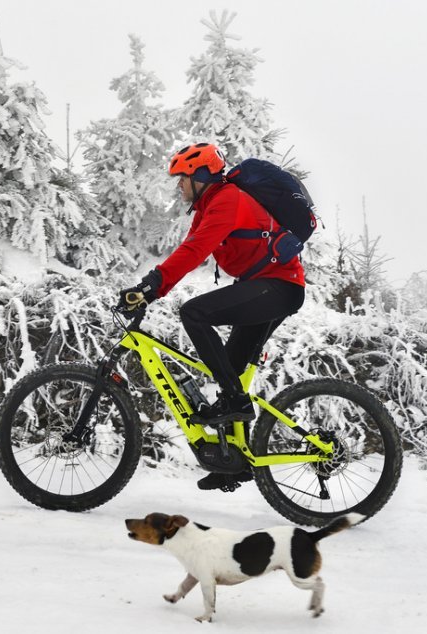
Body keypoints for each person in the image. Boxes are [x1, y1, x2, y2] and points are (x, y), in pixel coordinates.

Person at [117, 142, 307, 492]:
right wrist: (154, 287)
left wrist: (151, 286)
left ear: (201, 176)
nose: (179, 186)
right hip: (267, 287)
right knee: (230, 372)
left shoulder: (227, 199)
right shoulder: (209, 208)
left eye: (182, 178)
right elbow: (189, 251)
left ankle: (235, 402)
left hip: (278, 287)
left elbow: (195, 250)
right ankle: (233, 463)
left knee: (195, 313)